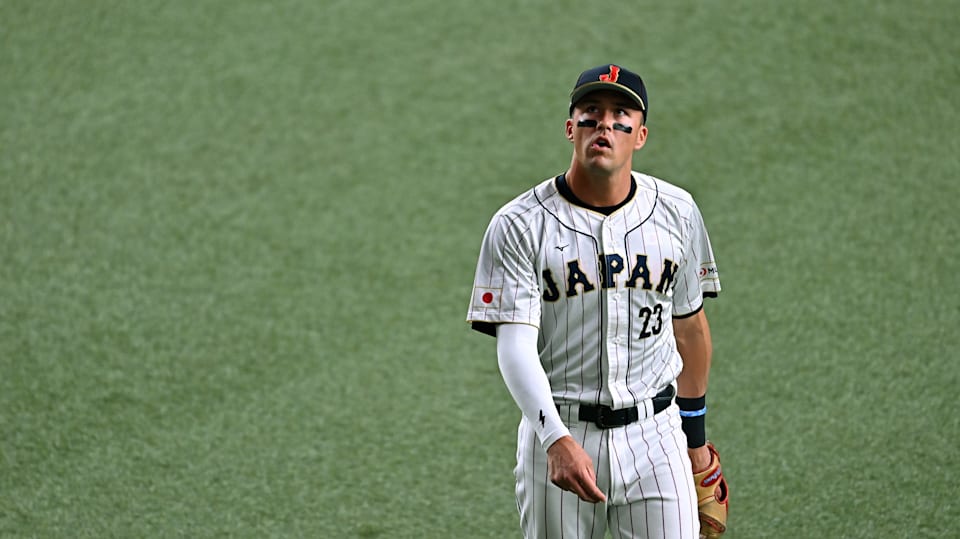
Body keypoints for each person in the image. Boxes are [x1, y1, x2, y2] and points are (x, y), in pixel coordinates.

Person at [466, 64, 729, 538]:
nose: (605, 124)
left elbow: (689, 328)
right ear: (571, 128)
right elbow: (515, 345)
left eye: (620, 114)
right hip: (560, 429)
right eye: (591, 111)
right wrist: (554, 438)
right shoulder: (519, 225)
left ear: (640, 135)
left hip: (656, 436)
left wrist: (696, 442)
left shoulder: (678, 212)